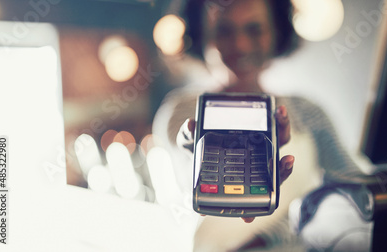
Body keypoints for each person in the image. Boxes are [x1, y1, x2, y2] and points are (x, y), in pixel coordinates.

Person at [152, 0, 372, 250]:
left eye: (254, 29)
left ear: (276, 32)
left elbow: (358, 188)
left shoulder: (308, 112)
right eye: (224, 30)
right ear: (202, 35)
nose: (240, 45)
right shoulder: (183, 110)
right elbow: (186, 185)